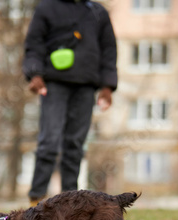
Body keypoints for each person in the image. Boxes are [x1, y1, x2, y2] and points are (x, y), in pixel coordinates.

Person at [23, 0, 117, 205]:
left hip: (86, 85)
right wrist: (34, 73)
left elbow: (109, 50)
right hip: (54, 84)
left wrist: (108, 86)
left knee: (74, 145)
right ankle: (35, 200)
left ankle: (69, 204)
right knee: (49, 142)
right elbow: (34, 44)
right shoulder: (46, 8)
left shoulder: (98, 12)